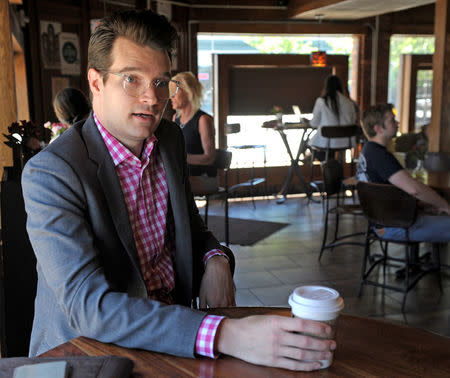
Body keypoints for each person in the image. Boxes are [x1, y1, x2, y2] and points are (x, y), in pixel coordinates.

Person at [22, 10, 335, 371]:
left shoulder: (168, 138)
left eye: (160, 82)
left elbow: (191, 227)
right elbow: (88, 307)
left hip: (176, 335)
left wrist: (215, 259)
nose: (152, 98)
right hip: (89, 354)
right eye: (131, 79)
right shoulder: (52, 172)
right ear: (96, 82)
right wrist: (225, 334)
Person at [356, 103, 450, 242]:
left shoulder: (368, 151)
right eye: (392, 120)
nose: (397, 122)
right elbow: (414, 189)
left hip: (385, 221)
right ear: (378, 129)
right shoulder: (380, 155)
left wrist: (425, 205)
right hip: (396, 226)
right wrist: (444, 205)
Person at [171, 71, 216, 178]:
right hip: (184, 175)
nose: (171, 97)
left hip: (202, 177)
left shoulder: (203, 120)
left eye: (174, 92)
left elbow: (209, 158)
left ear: (188, 92)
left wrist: (181, 157)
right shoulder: (175, 118)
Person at [309, 75, 357, 153]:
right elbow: (353, 120)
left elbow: (314, 123)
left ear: (326, 87)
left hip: (327, 143)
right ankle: (333, 163)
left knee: (310, 145)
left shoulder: (321, 101)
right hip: (347, 142)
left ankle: (325, 163)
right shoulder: (349, 102)